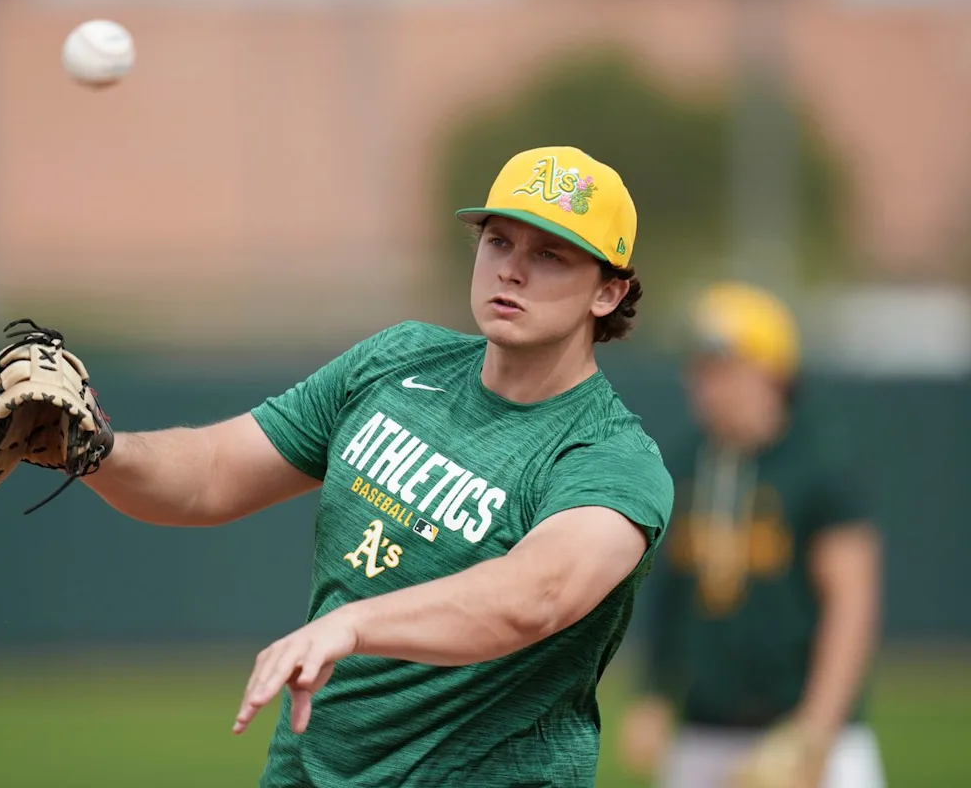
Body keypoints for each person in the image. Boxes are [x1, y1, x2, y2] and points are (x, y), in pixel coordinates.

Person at [82, 146, 675, 787]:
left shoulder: (610, 458)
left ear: (608, 292)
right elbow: (210, 474)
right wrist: (92, 448)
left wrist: (352, 626)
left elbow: (537, 595)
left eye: (550, 255)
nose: (512, 270)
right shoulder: (398, 361)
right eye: (499, 241)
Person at [616, 282, 886, 788]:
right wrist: (654, 692)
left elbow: (851, 606)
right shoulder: (686, 464)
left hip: (806, 730)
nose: (706, 385)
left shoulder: (818, 465)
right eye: (700, 369)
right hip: (705, 731)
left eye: (724, 368)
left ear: (774, 374)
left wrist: (815, 730)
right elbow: (670, 594)